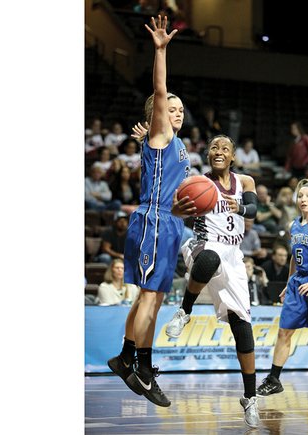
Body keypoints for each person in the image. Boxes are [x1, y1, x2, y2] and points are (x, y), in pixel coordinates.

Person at [107, 15, 195, 409]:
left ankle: (131, 359)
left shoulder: (175, 145)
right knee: (148, 297)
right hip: (154, 222)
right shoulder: (162, 132)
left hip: (170, 225)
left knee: (152, 299)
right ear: (158, 115)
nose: (175, 111)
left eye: (179, 108)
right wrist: (160, 51)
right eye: (170, 108)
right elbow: (159, 91)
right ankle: (138, 365)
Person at [164, 135, 261, 428]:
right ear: (207, 155)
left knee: (242, 326)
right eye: (214, 148)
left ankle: (250, 397)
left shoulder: (245, 182)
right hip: (204, 244)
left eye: (225, 148)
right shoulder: (197, 182)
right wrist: (178, 211)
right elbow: (174, 209)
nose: (219, 152)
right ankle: (184, 312)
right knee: (209, 260)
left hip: (235, 255)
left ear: (232, 156)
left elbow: (254, 211)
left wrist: (239, 207)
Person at [257, 179, 308, 397]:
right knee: (284, 332)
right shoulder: (294, 225)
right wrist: (288, 282)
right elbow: (295, 256)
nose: (303, 199)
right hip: (299, 283)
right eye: (300, 196)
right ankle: (274, 379)